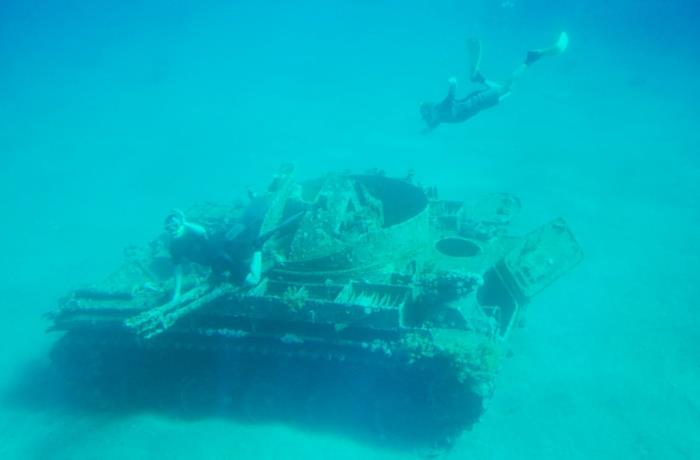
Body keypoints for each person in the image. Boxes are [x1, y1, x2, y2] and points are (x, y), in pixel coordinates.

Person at [420, 32, 569, 133]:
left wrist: (452, 82)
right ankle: (478, 77)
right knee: (507, 90)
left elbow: (451, 95)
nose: (427, 119)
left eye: (427, 116)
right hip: (478, 103)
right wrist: (427, 130)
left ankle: (531, 58)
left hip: (478, 100)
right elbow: (433, 124)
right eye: (426, 118)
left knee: (507, 88)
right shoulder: (437, 118)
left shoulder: (441, 109)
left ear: (431, 110)